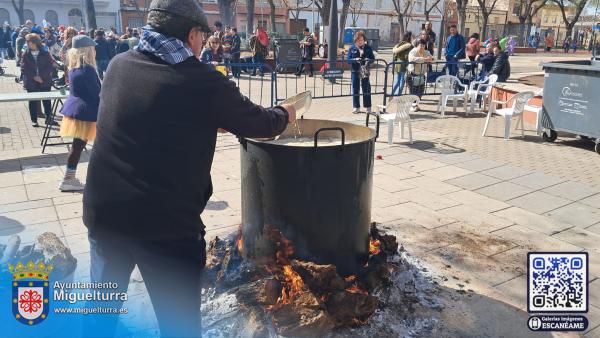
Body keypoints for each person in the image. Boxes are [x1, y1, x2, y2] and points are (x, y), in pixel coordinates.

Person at [82, 0, 295, 337]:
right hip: (165, 228)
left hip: (104, 214)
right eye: (202, 37)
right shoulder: (201, 81)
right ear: (192, 34)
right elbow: (260, 123)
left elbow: (152, 114)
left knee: (99, 315)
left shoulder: (119, 65)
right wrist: (286, 113)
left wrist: (207, 119)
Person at [58, 35, 101, 191]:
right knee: (83, 146)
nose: (95, 51)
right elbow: (97, 93)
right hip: (88, 113)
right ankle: (68, 180)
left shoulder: (74, 68)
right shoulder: (88, 70)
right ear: (88, 50)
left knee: (77, 146)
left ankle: (68, 178)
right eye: (93, 48)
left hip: (79, 111)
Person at [21, 33, 55, 127]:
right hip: (31, 82)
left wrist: (41, 77)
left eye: (28, 41)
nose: (27, 43)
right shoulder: (25, 54)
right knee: (32, 101)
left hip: (45, 81)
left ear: (34, 42)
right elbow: (24, 68)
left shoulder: (45, 52)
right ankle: (34, 120)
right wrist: (34, 77)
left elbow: (50, 66)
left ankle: (49, 119)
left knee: (47, 101)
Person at [347, 30, 374, 114]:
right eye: (359, 40)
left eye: (362, 40)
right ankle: (356, 107)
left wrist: (368, 60)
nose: (360, 42)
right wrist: (354, 60)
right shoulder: (352, 48)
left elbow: (372, 58)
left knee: (366, 88)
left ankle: (368, 107)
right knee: (355, 89)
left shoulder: (368, 48)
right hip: (355, 71)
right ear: (355, 40)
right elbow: (348, 60)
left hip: (365, 71)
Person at [408, 39, 433, 111]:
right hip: (411, 75)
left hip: (421, 75)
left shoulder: (427, 52)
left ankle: (415, 104)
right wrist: (424, 59)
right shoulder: (413, 51)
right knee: (413, 92)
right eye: (420, 45)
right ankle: (412, 106)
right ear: (417, 45)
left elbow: (432, 59)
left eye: (423, 45)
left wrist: (430, 59)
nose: (422, 47)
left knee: (420, 91)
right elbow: (412, 59)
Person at [392, 31, 413, 95]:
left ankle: (392, 94)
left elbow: (395, 55)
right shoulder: (409, 46)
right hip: (404, 65)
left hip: (397, 64)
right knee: (402, 82)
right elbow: (407, 56)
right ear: (409, 37)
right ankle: (399, 95)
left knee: (397, 81)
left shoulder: (400, 44)